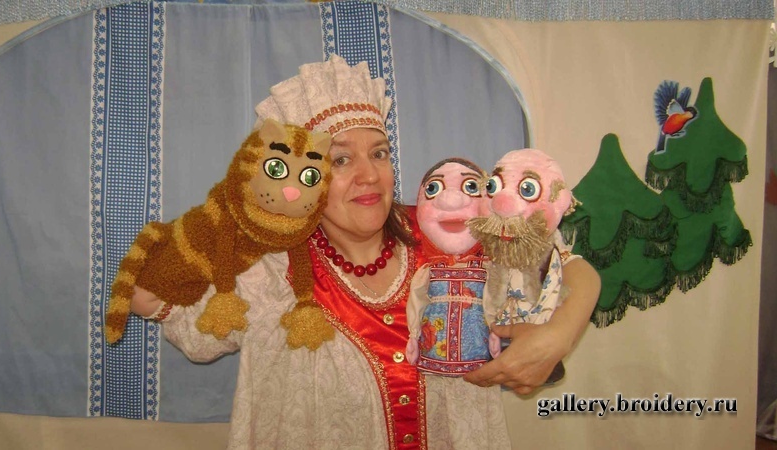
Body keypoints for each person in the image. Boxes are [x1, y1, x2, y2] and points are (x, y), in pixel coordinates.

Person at [130, 55, 600, 449]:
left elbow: (567, 265)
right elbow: (171, 314)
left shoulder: (444, 232)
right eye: (340, 159)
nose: (370, 175)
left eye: (379, 153)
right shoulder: (268, 272)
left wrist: (559, 335)